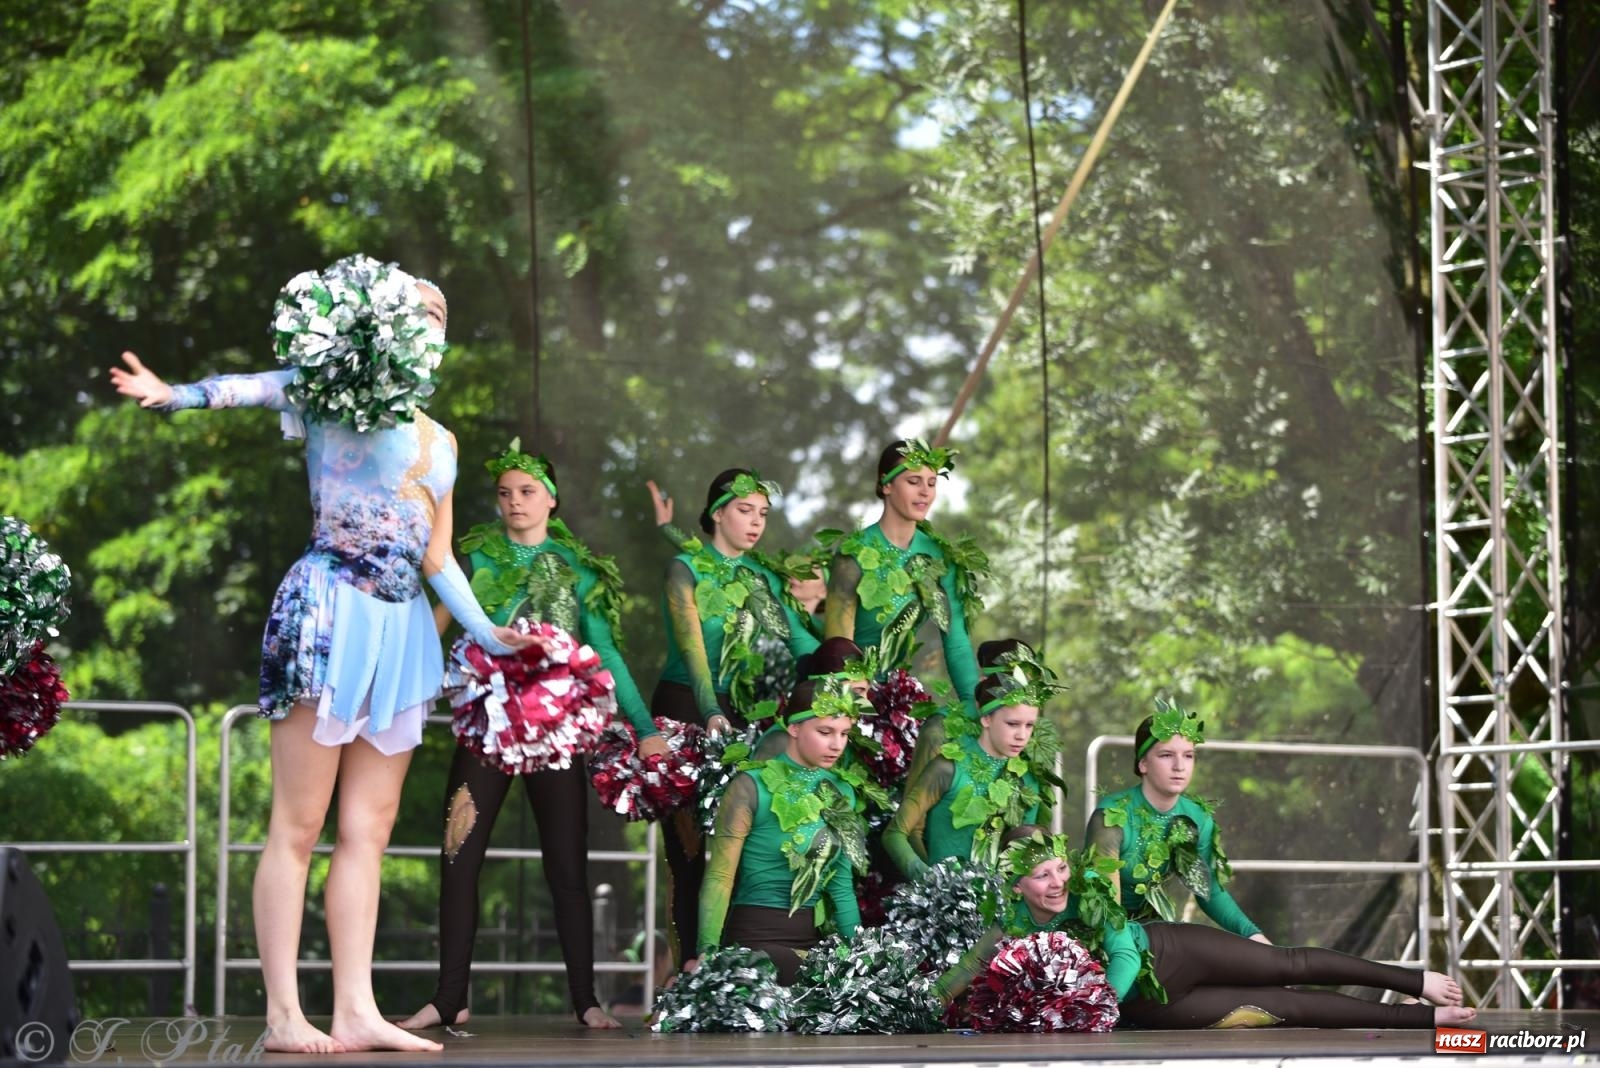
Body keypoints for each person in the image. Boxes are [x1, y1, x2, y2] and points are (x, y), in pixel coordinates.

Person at [109, 258, 532, 1053]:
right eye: (419, 317)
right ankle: (281, 1014)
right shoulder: (334, 395)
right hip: (331, 611)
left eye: (441, 322)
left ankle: (355, 1009)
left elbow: (436, 555)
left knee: (368, 829)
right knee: (298, 826)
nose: (432, 332)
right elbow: (258, 386)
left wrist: (485, 633)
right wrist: (177, 395)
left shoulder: (442, 439)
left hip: (402, 630)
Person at [401, 442, 663, 1031]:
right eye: (504, 493)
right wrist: (400, 695)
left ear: (552, 499)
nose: (515, 502)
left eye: (526, 491)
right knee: (457, 855)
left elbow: (607, 653)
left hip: (555, 733)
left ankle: (585, 1000)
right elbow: (431, 629)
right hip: (487, 729)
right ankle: (449, 998)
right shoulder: (473, 559)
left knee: (566, 865)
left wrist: (644, 731)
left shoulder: (581, 571)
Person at [936, 829, 1476, 1030]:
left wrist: (1093, 1012)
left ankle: (1415, 983)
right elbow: (964, 974)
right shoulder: (1004, 932)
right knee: (1287, 1011)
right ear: (1014, 886)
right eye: (1040, 875)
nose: (1056, 882)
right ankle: (1426, 1021)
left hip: (1173, 954)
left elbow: (1123, 955)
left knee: (1286, 966)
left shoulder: (1089, 893)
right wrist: (929, 1005)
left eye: (1059, 867)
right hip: (1152, 1009)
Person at [646, 469, 821, 961]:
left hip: (743, 717)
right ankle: (686, 970)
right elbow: (694, 650)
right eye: (746, 510)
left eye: (764, 514)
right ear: (718, 512)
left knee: (734, 849)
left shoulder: (762, 578)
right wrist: (709, 712)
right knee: (688, 855)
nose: (756, 523)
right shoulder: (684, 569)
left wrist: (845, 664)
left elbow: (801, 644)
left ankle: (732, 968)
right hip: (686, 708)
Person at [689, 677, 867, 984]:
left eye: (844, 734)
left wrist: (861, 959)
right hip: (754, 943)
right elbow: (719, 877)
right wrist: (707, 952)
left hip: (808, 944)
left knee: (844, 989)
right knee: (812, 977)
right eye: (824, 732)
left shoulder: (843, 792)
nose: (836, 744)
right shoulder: (749, 786)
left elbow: (841, 885)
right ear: (793, 728)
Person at [882, 639, 1064, 880]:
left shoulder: (1029, 776)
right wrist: (930, 883)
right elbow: (900, 832)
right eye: (1012, 724)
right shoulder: (947, 761)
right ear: (985, 717)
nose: (1022, 735)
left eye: (1029, 725)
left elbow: (1028, 851)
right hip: (943, 897)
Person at [1083, 700, 1266, 940]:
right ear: (1143, 763)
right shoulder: (1112, 816)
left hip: (1150, 927)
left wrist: (1254, 936)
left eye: (1188, 755)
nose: (1180, 766)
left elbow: (1208, 890)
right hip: (1096, 929)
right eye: (1166, 755)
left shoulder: (1197, 818)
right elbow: (1105, 907)